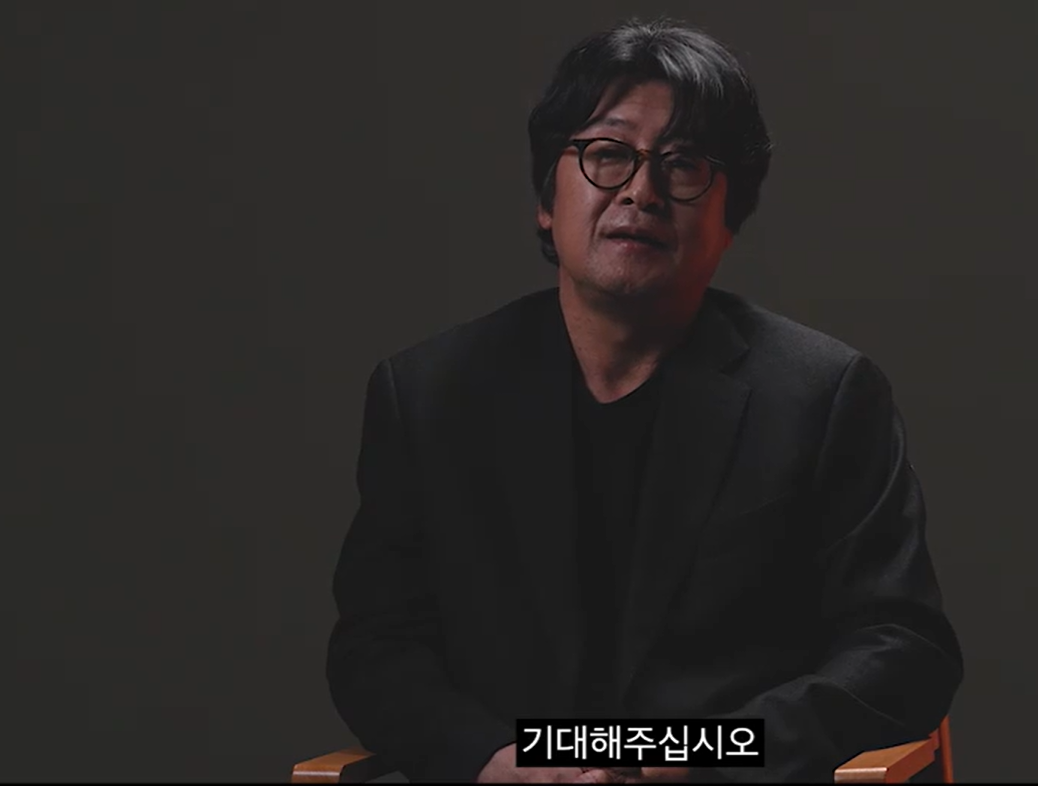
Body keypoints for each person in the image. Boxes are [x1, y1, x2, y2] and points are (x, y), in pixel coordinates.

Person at [326, 17, 963, 784]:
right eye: (606, 154)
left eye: (683, 163)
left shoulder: (824, 394)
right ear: (545, 198)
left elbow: (903, 647)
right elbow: (377, 646)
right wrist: (492, 760)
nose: (640, 191)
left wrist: (700, 755)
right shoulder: (429, 393)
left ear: (728, 219)